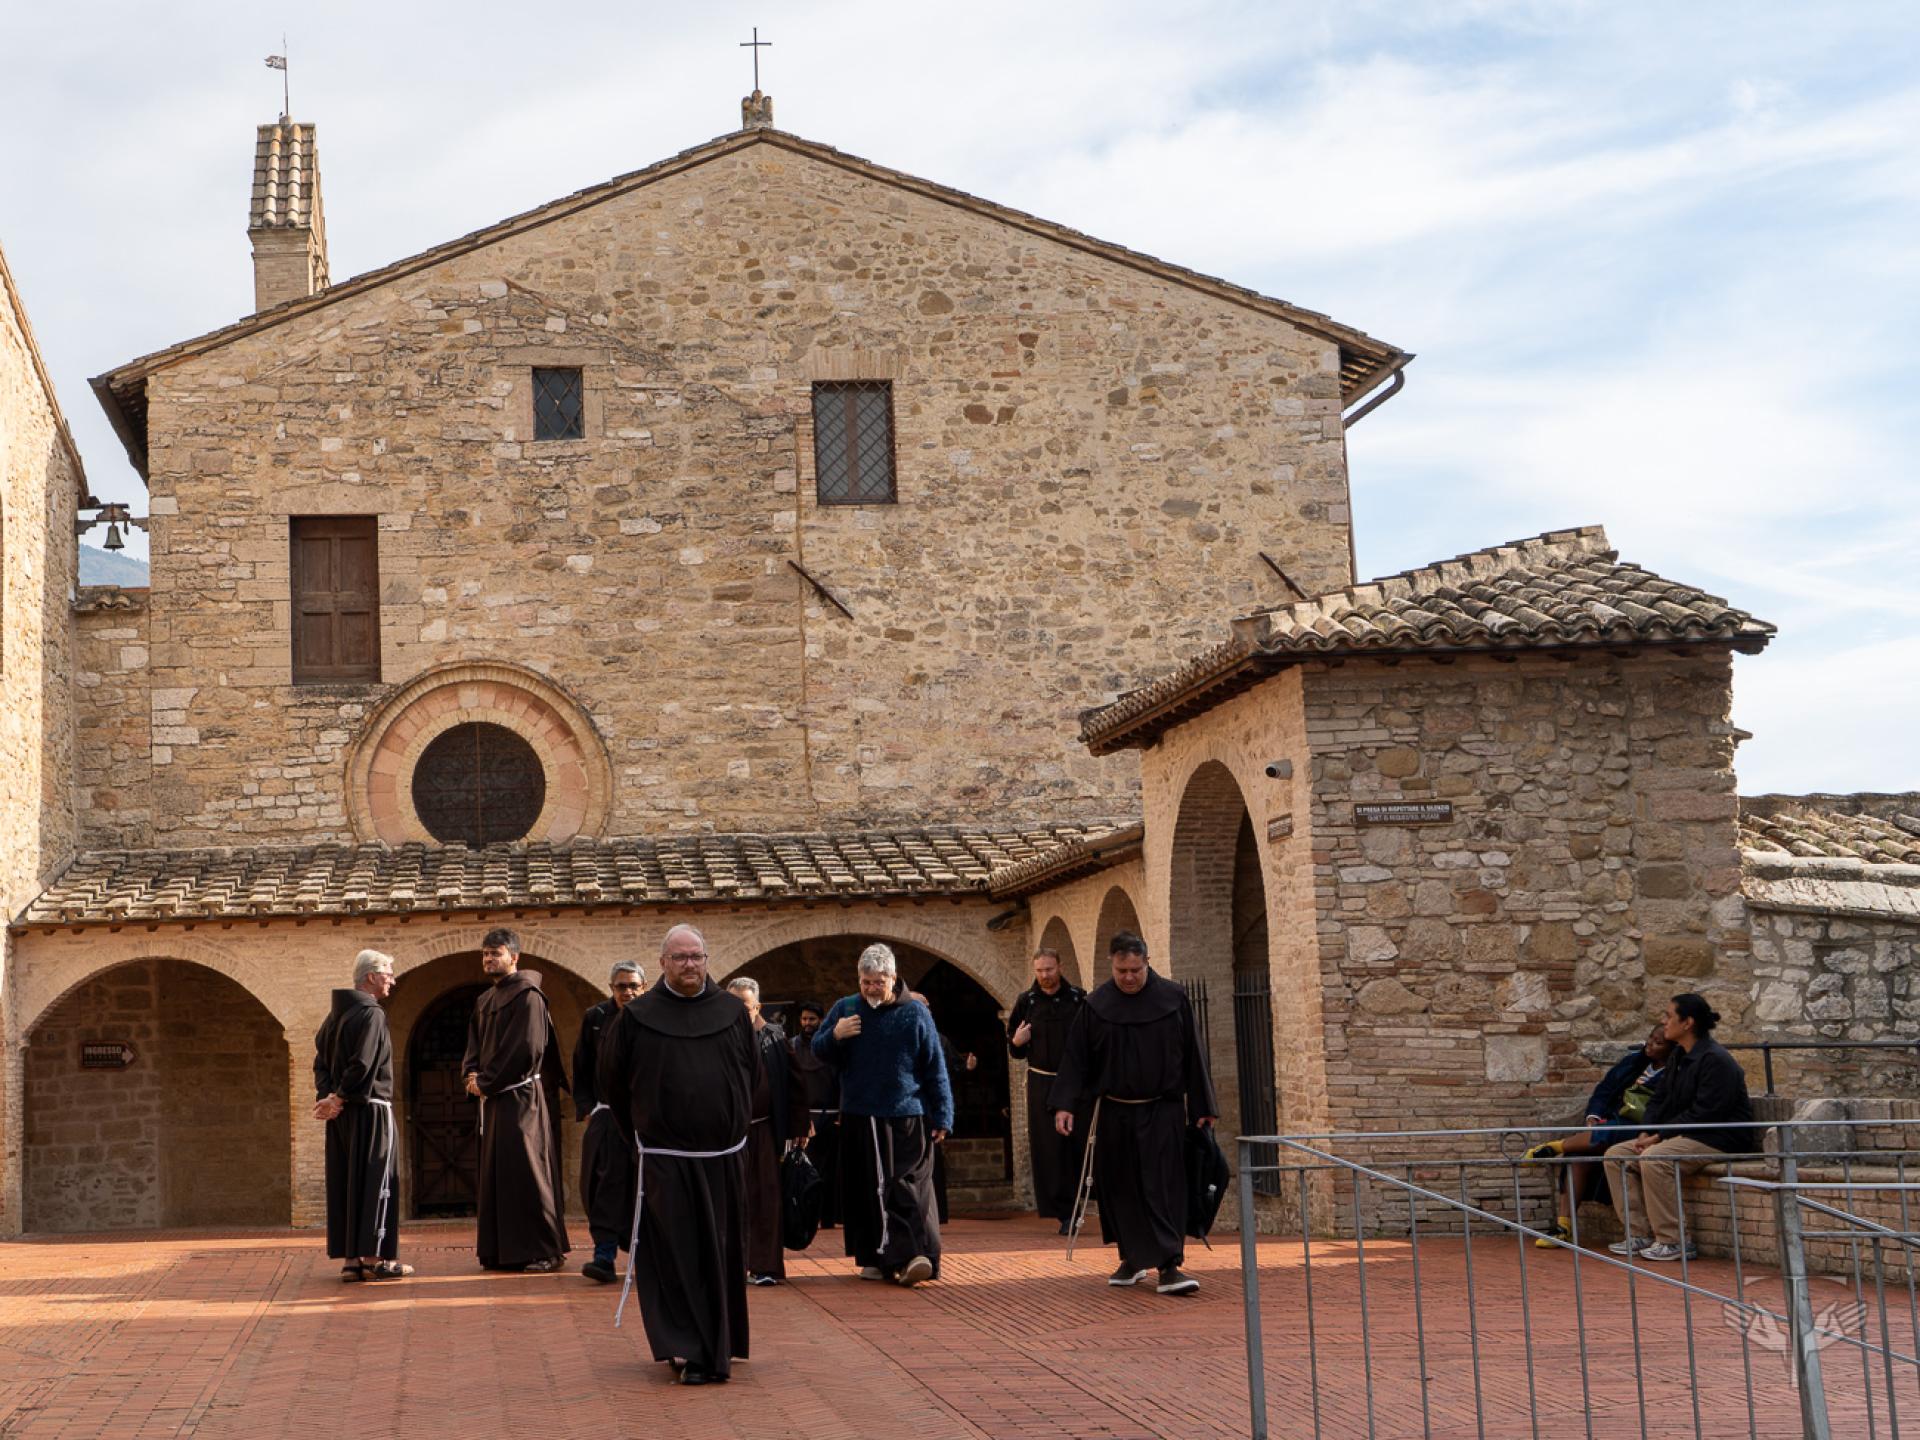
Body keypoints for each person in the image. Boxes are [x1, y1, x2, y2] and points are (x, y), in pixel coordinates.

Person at [600, 925, 757, 1385]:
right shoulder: (637, 1016)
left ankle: (720, 1343)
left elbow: (752, 1076)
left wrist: (731, 1121)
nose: (690, 965)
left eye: (697, 956)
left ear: (707, 960)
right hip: (666, 1158)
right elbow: (614, 1082)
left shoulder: (731, 1011)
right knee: (677, 1253)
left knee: (722, 1251)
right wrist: (642, 1137)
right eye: (680, 957)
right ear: (663, 962)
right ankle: (688, 1348)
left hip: (723, 1156)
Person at [1051, 930, 1218, 1296]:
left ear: (1147, 964)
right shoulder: (1096, 1005)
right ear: (1112, 965)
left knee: (1162, 1185)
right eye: (1121, 970)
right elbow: (1076, 1058)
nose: (1128, 977)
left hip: (1163, 1111)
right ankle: (1131, 1257)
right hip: (1114, 1113)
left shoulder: (1173, 998)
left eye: (1135, 970)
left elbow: (1194, 1053)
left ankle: (1170, 1264)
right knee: (1122, 1187)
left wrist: (1204, 1107)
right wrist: (1064, 1104)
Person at [813, 944, 953, 1287]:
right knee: (867, 1189)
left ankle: (914, 1257)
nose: (871, 988)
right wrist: (835, 1034)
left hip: (908, 1114)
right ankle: (875, 1257)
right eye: (865, 982)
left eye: (878, 982)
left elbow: (935, 1067)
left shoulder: (915, 1014)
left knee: (906, 1187)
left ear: (893, 977)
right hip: (861, 1115)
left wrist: (943, 1115)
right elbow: (818, 1050)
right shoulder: (845, 1009)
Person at [1603, 993, 1757, 1263]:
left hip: (1718, 1137)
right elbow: (1659, 1099)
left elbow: (1707, 1113)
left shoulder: (1715, 1060)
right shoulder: (1678, 1057)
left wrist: (1659, 1137)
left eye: (1668, 1016)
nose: (1663, 1022)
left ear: (1687, 1023)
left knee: (1655, 1159)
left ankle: (1674, 1241)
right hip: (1685, 1132)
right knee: (1617, 1155)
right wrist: (1646, 1131)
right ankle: (1638, 1234)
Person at [461, 926, 570, 1272]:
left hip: (522, 1099)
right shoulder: (484, 1000)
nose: (489, 959)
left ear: (514, 957)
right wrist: (471, 1075)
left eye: (496, 953)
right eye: (485, 953)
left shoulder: (529, 996)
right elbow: (473, 1047)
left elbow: (527, 1047)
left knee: (528, 1172)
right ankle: (500, 1251)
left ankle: (545, 1251)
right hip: (493, 1101)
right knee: (497, 1174)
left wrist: (488, 1081)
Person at [1522, 1023, 1674, 1247]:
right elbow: (1604, 1090)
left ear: (1672, 1049)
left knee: (1609, 1133)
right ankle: (1564, 1227)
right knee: (1578, 1156)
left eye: (1658, 1043)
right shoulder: (1634, 1062)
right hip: (1614, 1120)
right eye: (1650, 1038)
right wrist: (1593, 1115)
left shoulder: (1675, 1073)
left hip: (1644, 1128)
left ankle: (1552, 1148)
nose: (1650, 1045)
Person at [312, 949, 412, 1281]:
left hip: (341, 1116)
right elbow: (364, 1064)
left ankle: (351, 1261)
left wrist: (329, 1098)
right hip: (371, 1111)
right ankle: (376, 1259)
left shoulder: (334, 1017)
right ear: (371, 976)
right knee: (375, 1181)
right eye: (389, 973)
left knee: (347, 1182)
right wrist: (339, 1097)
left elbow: (321, 1063)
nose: (393, 980)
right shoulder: (372, 1015)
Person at [726, 977, 812, 1284]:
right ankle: (729, 1265)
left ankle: (763, 1266)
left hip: (763, 1132)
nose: (738, 1012)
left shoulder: (774, 1038)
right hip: (727, 1135)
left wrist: (800, 1125)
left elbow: (796, 1084)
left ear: (757, 1007)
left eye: (744, 1006)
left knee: (765, 1199)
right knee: (729, 1199)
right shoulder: (717, 1038)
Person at [1006, 947, 1088, 1231]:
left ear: (1060, 967)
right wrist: (1017, 1041)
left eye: (1049, 969)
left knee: (1077, 1143)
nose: (1045, 976)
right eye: (1040, 970)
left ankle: (1081, 1201)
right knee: (1050, 1149)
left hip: (1076, 1082)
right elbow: (1014, 1050)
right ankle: (1065, 1213)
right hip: (1042, 1083)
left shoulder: (1079, 998)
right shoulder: (1026, 1002)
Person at [574, 961, 646, 1283]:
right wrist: (588, 1107)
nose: (627, 992)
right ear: (611, 988)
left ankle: (647, 1255)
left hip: (646, 1119)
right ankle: (604, 1255)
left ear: (644, 987)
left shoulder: (654, 1018)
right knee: (603, 1183)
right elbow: (581, 1065)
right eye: (621, 986)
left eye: (633, 986)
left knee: (645, 1186)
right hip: (607, 1116)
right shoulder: (596, 1019)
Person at [789, 1001, 840, 1227]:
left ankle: (829, 1216)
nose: (807, 1023)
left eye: (812, 1019)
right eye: (804, 1019)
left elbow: (841, 1079)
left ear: (821, 1019)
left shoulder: (832, 1045)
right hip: (806, 1116)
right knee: (807, 1169)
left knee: (831, 1171)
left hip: (832, 1115)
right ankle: (809, 1214)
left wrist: (842, 1112)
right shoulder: (792, 1046)